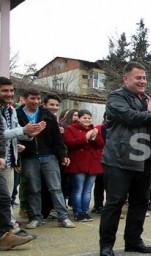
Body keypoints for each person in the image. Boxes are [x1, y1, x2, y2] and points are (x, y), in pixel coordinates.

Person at [98, 62, 151, 256]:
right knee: (115, 203)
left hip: (144, 159)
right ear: (126, 78)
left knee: (140, 202)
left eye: (145, 78)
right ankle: (106, 245)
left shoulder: (147, 98)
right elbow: (131, 117)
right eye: (138, 78)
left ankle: (133, 241)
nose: (143, 81)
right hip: (119, 159)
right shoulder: (116, 97)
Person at [16, 90, 75, 230]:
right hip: (29, 157)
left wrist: (63, 155)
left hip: (48, 156)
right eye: (32, 98)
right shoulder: (17, 115)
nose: (35, 101)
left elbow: (57, 137)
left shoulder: (47, 115)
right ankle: (36, 217)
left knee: (55, 187)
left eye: (37, 98)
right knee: (33, 189)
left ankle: (63, 217)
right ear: (24, 99)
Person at [0, 77, 43, 239]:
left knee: (8, 197)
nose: (9, 93)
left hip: (10, 159)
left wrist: (29, 133)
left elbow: (16, 131)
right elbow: (1, 134)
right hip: (1, 158)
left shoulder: (10, 110)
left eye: (11, 90)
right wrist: (22, 131)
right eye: (5, 90)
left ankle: (11, 229)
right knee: (4, 198)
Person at [63, 109, 104, 222]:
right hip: (78, 163)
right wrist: (86, 137)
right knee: (78, 189)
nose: (87, 120)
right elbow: (70, 143)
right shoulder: (70, 128)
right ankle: (77, 212)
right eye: (84, 118)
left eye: (89, 118)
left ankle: (85, 211)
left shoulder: (94, 130)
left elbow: (101, 144)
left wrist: (94, 137)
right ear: (79, 118)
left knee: (88, 190)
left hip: (93, 164)